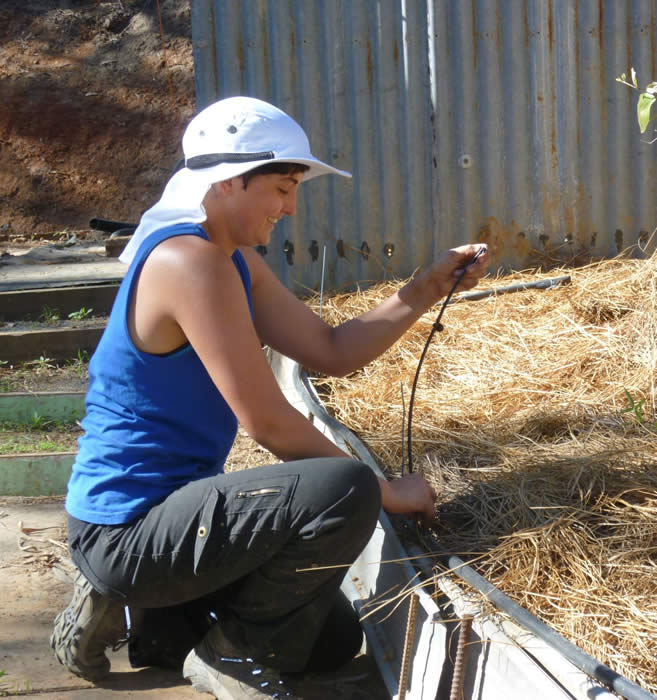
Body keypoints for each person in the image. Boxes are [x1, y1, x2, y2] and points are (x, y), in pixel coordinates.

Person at [49, 96, 488, 699]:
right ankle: (228, 654)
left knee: (330, 641)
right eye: (283, 187)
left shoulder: (233, 260)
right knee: (345, 490)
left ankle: (154, 622)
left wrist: (424, 288)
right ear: (228, 182)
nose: (291, 206)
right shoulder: (188, 260)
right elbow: (267, 423)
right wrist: (387, 492)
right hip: (127, 529)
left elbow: (331, 349)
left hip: (175, 516)